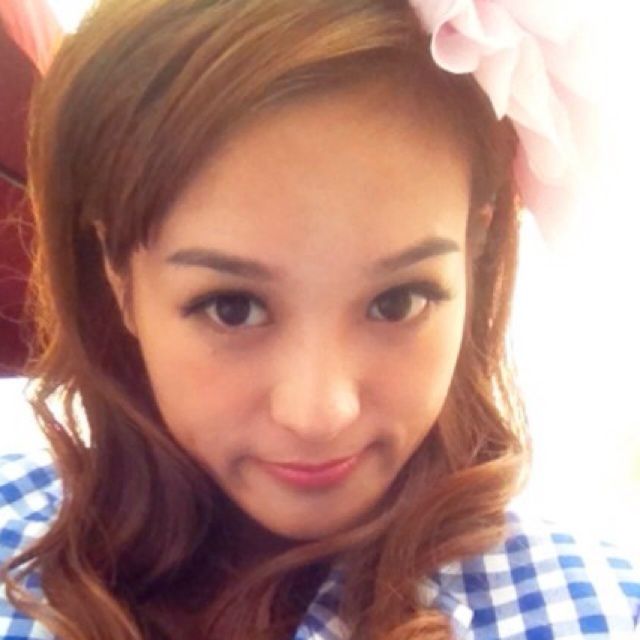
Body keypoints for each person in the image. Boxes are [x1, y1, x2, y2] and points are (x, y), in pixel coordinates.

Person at [0, 0, 638, 638]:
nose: (318, 415)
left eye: (398, 301)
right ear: (119, 278)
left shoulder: (598, 610)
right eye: (232, 308)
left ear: (474, 253)